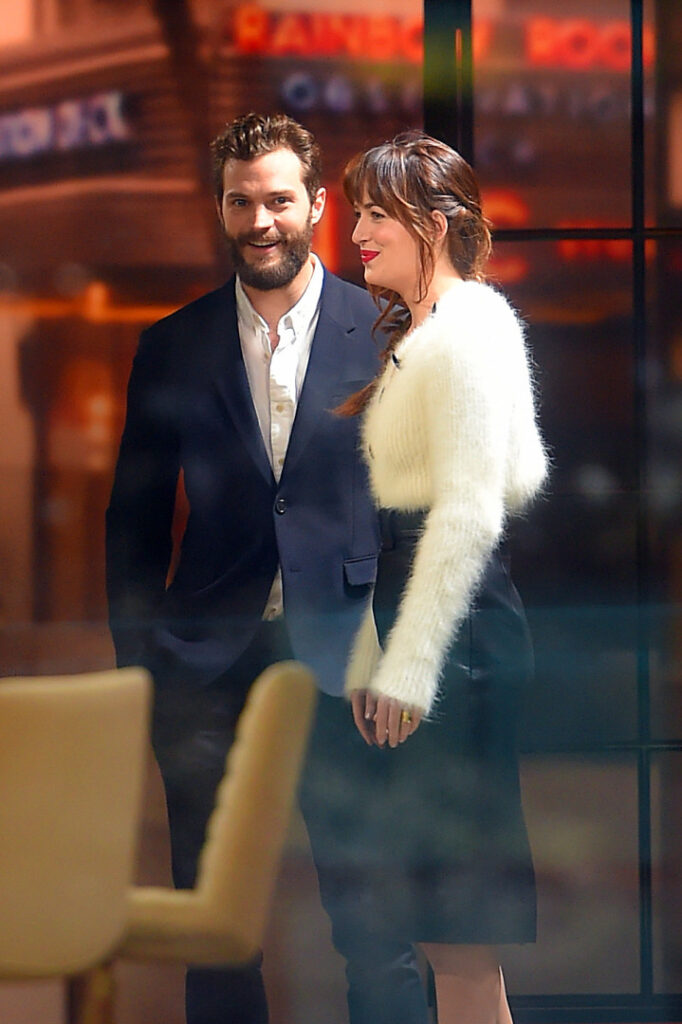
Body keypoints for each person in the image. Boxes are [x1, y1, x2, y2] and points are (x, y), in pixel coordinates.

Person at [105, 112, 382, 1024]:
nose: (259, 222)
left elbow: (412, 515)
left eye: (278, 201)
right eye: (239, 202)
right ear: (219, 207)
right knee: (217, 933)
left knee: (373, 924)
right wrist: (142, 671)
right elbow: (134, 521)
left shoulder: (383, 331)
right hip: (203, 671)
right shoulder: (172, 344)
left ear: (317, 204)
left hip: (349, 665)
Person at [307, 129, 547, 1023]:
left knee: (457, 929)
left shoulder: (468, 332)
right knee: (448, 929)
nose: (358, 233)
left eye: (377, 214)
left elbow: (471, 516)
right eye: (360, 213)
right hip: (445, 629)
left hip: (459, 640)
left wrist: (408, 669)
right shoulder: (435, 330)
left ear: (435, 225)